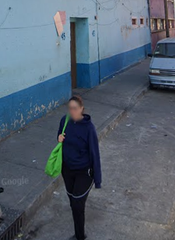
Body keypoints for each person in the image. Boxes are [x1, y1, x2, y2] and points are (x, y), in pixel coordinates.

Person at [57, 95, 101, 240]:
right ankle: (79, 230)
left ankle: (80, 236)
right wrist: (59, 139)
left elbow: (95, 154)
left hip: (84, 172)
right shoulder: (64, 121)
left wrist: (97, 179)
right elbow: (60, 137)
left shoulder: (89, 128)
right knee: (73, 202)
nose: (72, 111)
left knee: (77, 204)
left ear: (81, 109)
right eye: (70, 108)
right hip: (67, 170)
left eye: (75, 108)